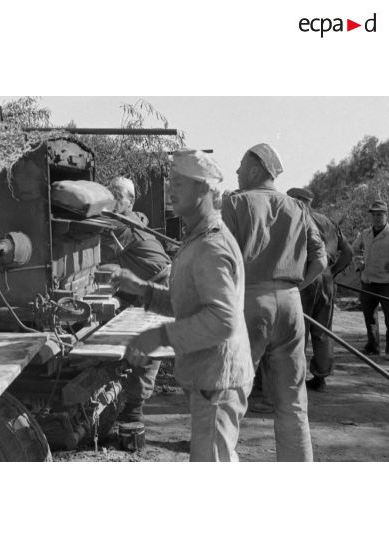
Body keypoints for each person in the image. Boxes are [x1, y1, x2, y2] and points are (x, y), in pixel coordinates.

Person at [111, 150, 254, 461]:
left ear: (203, 189)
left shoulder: (212, 245)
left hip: (218, 381)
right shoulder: (197, 237)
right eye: (169, 182)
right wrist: (144, 290)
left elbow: (221, 320)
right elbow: (190, 304)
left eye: (178, 183)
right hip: (209, 376)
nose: (170, 190)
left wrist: (158, 337)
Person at [221, 144, 327, 462]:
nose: (237, 172)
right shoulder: (297, 207)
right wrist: (292, 288)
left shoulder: (235, 203)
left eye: (241, 166)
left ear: (255, 170)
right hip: (291, 304)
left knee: (229, 394)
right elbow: (320, 262)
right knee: (293, 398)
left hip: (250, 302)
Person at [101, 176, 171, 426]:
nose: (113, 200)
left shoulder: (124, 226)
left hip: (160, 285)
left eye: (118, 196)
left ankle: (133, 411)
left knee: (149, 347)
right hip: (152, 284)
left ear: (131, 201)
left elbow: (97, 251)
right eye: (110, 194)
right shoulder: (132, 220)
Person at [287, 188, 352, 391]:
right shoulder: (329, 222)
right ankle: (321, 377)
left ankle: (294, 378)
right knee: (323, 329)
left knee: (299, 329)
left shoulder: (296, 220)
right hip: (326, 281)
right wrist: (332, 273)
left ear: (299, 201)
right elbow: (347, 252)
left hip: (305, 278)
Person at [352, 199, 389, 358]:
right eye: (374, 215)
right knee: (370, 317)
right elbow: (354, 249)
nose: (377, 218)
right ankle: (373, 346)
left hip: (387, 282)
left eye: (380, 214)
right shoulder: (365, 234)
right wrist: (359, 263)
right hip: (367, 281)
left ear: (386, 215)